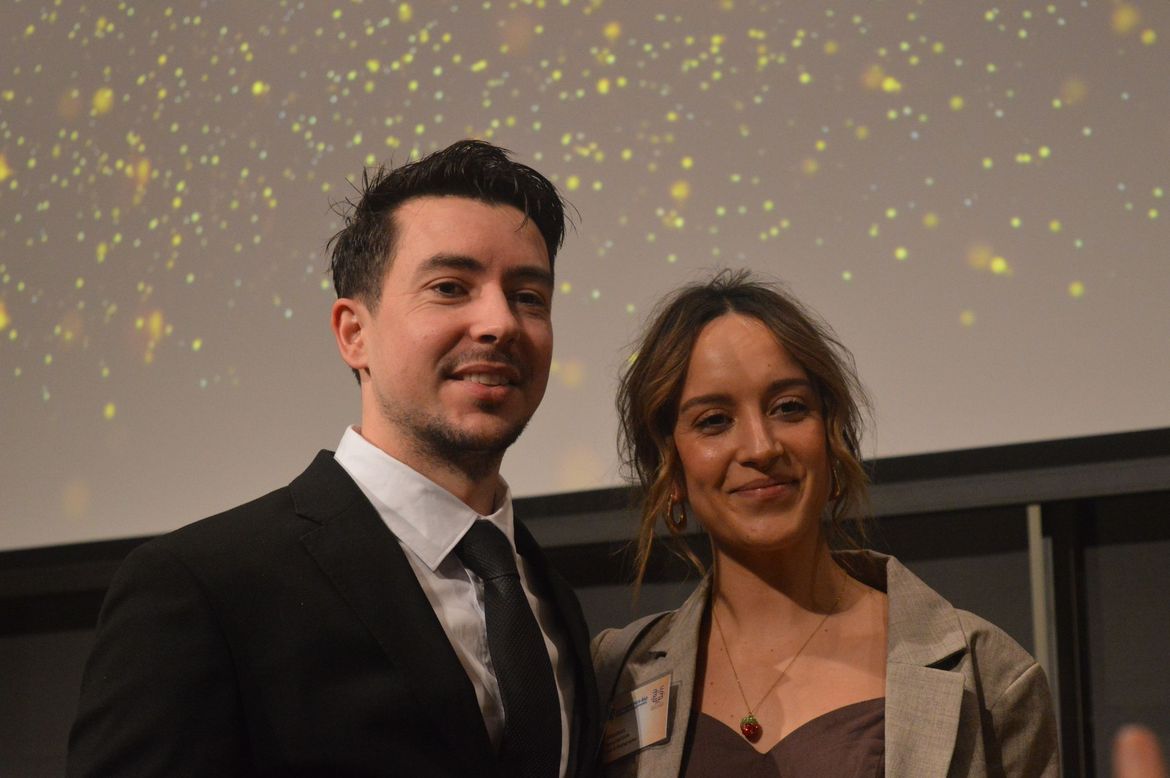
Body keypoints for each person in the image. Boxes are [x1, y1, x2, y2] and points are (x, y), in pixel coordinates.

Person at [68, 140, 600, 777]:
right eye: (450, 288)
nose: (500, 323)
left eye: (529, 297)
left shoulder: (552, 603)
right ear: (354, 333)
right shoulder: (201, 587)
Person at [592, 271, 1058, 776]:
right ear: (669, 467)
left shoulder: (985, 674)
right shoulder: (615, 676)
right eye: (714, 420)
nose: (761, 447)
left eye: (789, 408)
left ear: (832, 437)